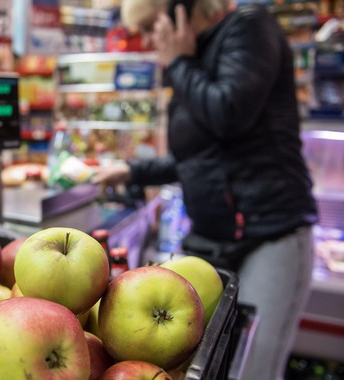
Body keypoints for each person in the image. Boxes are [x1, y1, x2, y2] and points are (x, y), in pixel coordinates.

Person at [94, 0, 319, 378]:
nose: (150, 40)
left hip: (272, 233)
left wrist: (180, 63)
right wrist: (133, 172)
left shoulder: (249, 28)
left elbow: (229, 114)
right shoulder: (193, 58)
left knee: (252, 370)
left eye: (151, 26)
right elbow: (199, 158)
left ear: (181, 8)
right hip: (212, 236)